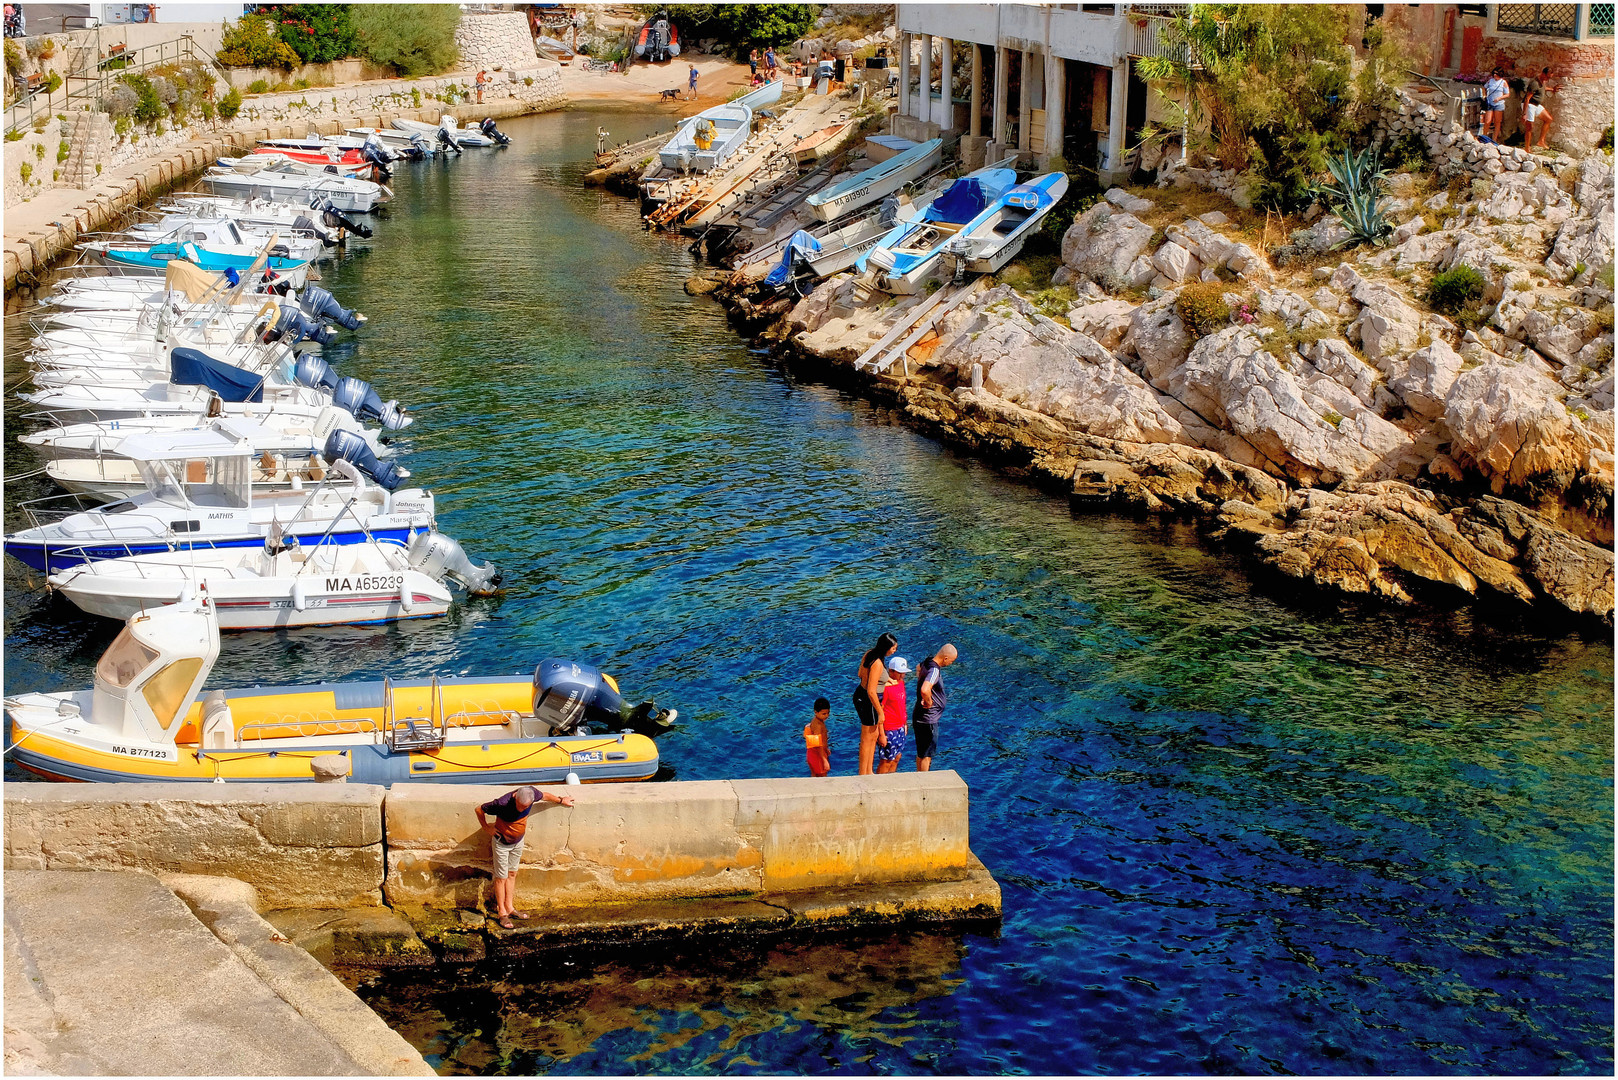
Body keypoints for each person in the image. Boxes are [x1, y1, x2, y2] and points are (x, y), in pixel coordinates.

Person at [474, 784, 574, 929]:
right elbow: (479, 809)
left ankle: (510, 907)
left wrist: (561, 800)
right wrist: (486, 827)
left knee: (512, 873)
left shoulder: (531, 793)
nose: (521, 809)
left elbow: (544, 795)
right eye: (519, 806)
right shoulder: (502, 803)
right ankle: (502, 913)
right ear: (515, 797)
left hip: (518, 842)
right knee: (501, 877)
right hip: (502, 843)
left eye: (525, 807)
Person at [854, 631, 897, 775]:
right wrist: (880, 713)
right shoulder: (878, 663)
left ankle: (868, 771)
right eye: (893, 648)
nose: (894, 651)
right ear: (886, 647)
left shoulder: (869, 654)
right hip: (869, 700)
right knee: (868, 737)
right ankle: (863, 773)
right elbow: (871, 691)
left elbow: (861, 674)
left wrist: (885, 681)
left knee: (871, 736)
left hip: (860, 694)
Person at [912, 644, 957, 772]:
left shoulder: (927, 662)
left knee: (921, 752)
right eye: (951, 661)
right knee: (927, 755)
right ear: (946, 658)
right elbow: (925, 689)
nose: (950, 664)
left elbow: (918, 667)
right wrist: (929, 701)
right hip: (929, 719)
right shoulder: (935, 670)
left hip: (919, 715)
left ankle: (919, 777)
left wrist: (919, 679)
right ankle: (925, 782)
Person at [875, 656, 909, 773]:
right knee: (886, 760)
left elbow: (902, 705)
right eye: (900, 673)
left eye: (903, 673)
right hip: (889, 729)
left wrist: (905, 724)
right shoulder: (885, 688)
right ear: (891, 671)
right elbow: (879, 710)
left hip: (900, 727)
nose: (902, 676)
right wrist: (881, 733)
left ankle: (891, 780)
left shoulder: (901, 683)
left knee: (897, 757)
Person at [1523, 65, 1555, 151]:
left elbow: (1542, 89)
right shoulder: (1534, 83)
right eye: (1547, 77)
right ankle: (1527, 147)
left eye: (1549, 78)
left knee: (1548, 119)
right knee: (1529, 126)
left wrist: (1552, 89)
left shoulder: (1542, 81)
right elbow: (1527, 98)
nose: (1547, 79)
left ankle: (1541, 141)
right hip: (1530, 105)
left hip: (1536, 105)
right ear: (1543, 74)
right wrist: (1525, 114)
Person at [804, 696, 831, 777]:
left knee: (814, 775)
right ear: (816, 712)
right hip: (818, 755)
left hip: (811, 753)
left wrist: (826, 749)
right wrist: (824, 760)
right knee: (823, 777)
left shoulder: (814, 721)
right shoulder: (818, 726)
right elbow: (818, 743)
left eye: (828, 713)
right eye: (824, 714)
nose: (826, 716)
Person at [1481, 67, 1509, 142]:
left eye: (1496, 74)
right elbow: (1484, 87)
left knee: (1497, 122)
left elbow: (1507, 94)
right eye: (1494, 73)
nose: (1495, 75)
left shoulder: (1503, 82)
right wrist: (1485, 95)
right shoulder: (1490, 81)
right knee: (1487, 121)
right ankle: (1484, 137)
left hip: (1499, 104)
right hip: (1490, 103)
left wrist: (1499, 98)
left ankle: (1494, 139)